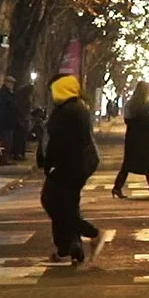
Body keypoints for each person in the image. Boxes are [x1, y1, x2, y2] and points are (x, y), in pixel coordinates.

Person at [41, 76, 104, 265]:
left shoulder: (68, 111)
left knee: (52, 203)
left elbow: (60, 142)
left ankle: (92, 233)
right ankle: (69, 248)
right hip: (74, 167)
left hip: (67, 167)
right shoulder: (75, 108)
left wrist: (50, 163)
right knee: (67, 207)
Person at [114, 81, 149, 199]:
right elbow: (147, 123)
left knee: (130, 165)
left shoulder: (131, 105)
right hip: (142, 139)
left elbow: (131, 121)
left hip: (132, 138)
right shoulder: (142, 106)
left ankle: (118, 187)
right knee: (145, 164)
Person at [0, 75, 24, 163]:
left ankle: (5, 158)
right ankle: (2, 159)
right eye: (10, 83)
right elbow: (9, 107)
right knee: (4, 141)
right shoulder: (3, 94)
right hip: (4, 122)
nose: (12, 85)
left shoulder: (8, 93)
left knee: (7, 141)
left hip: (7, 122)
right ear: (6, 83)